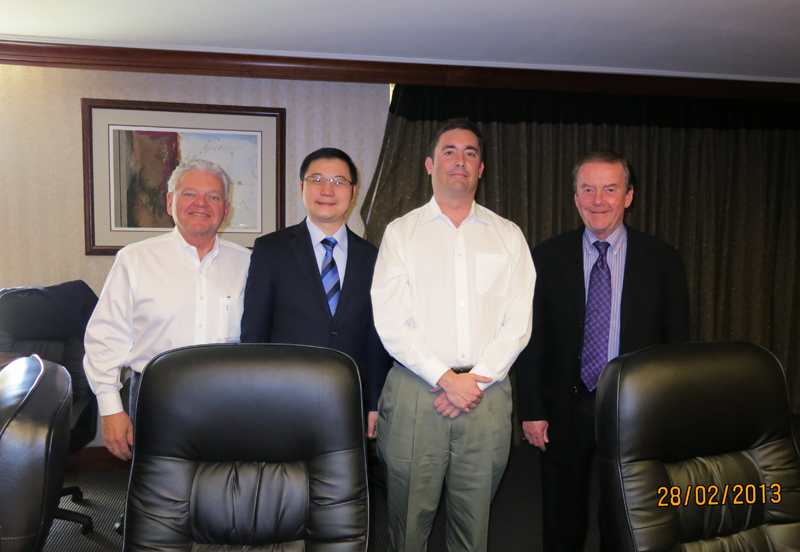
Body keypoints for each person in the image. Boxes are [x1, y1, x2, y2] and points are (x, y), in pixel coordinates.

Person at [371, 118, 536, 551]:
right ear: (430, 164)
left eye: (470, 153)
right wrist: (446, 378)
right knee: (408, 521)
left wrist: (473, 381)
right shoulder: (401, 233)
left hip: (486, 392)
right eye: (449, 151)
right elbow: (391, 321)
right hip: (416, 391)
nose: (460, 160)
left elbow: (518, 321)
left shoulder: (508, 236)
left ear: (481, 168)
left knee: (474, 521)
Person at [516, 151, 690, 552]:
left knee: (625, 514)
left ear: (628, 196)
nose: (598, 200)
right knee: (561, 515)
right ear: (575, 197)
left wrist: (670, 413)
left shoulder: (662, 260)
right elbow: (530, 339)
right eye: (588, 189)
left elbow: (676, 347)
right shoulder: (545, 257)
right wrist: (531, 408)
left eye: (610, 189)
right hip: (564, 405)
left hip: (634, 408)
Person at [84, 159, 251, 461]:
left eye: (213, 197)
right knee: (158, 487)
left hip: (230, 401)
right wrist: (110, 409)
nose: (201, 203)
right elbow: (105, 338)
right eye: (190, 194)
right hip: (156, 399)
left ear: (226, 210)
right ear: (170, 201)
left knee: (227, 484)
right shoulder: (135, 260)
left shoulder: (248, 263)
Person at [241, 147, 391, 437]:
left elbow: (376, 338)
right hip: (282, 399)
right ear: (301, 187)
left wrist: (375, 401)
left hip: (351, 400)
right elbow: (254, 334)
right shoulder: (270, 250)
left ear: (353, 191)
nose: (327, 190)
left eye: (338, 182)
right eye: (317, 179)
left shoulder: (373, 257)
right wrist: (257, 397)